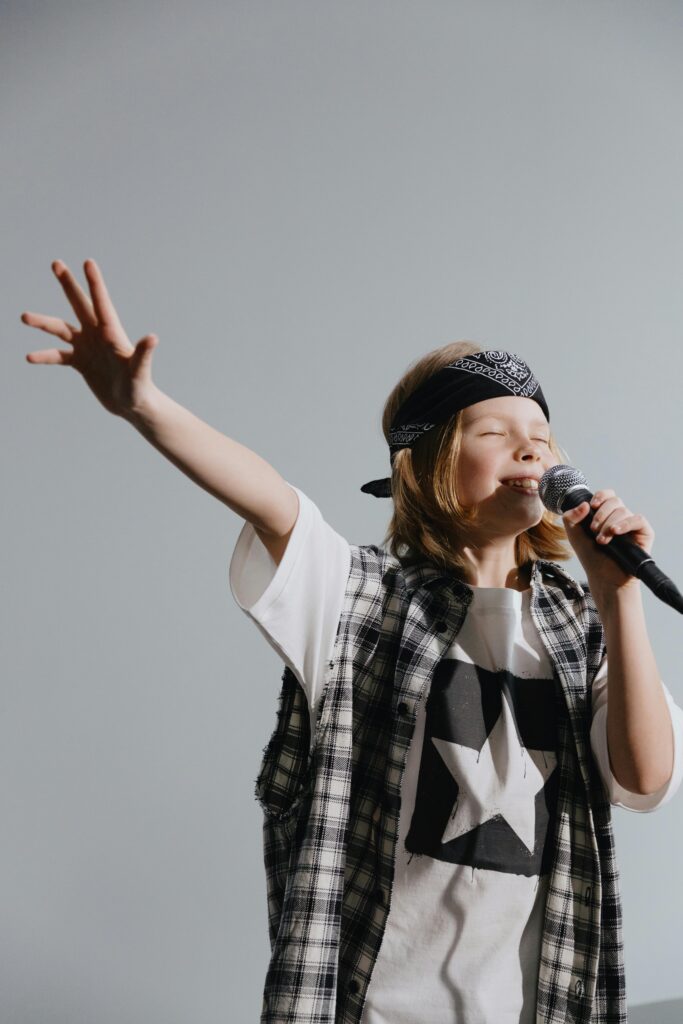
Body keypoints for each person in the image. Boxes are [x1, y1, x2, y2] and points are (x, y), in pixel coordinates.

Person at [22, 260, 683, 1024]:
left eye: (540, 434)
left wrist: (617, 596)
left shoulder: (581, 628)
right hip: (376, 1005)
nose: (530, 448)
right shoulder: (356, 598)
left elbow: (641, 778)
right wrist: (144, 405)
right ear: (425, 463)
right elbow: (274, 504)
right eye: (494, 432)